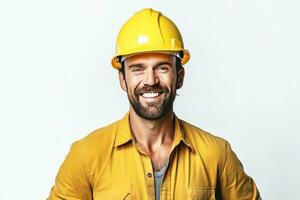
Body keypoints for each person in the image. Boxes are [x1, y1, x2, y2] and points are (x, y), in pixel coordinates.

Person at [48, 8, 261, 200]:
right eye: (137, 69)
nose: (150, 80)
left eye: (162, 68)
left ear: (179, 76)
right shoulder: (87, 156)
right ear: (122, 79)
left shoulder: (216, 154)